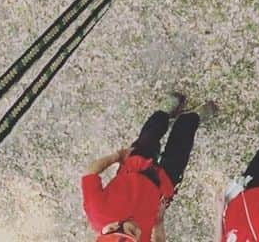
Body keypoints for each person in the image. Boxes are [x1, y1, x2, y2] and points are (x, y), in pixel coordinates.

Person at [81, 93, 211, 242]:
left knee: (151, 133)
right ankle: (191, 119)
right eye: (136, 237)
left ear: (112, 227)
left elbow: (89, 173)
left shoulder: (97, 211)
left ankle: (164, 114)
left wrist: (117, 156)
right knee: (182, 143)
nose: (138, 231)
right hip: (164, 185)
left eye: (132, 231)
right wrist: (159, 223)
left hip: (136, 165)